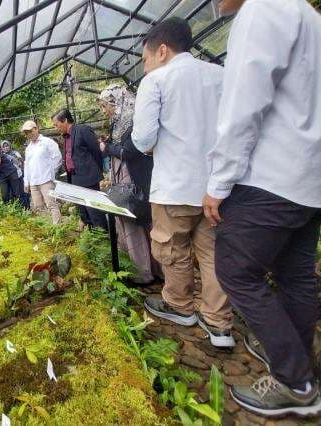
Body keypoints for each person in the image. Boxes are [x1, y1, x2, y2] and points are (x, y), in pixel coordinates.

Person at [203, 0, 321, 416]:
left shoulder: (261, 10)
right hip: (309, 180)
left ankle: (295, 379)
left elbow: (243, 106)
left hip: (269, 176)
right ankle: (300, 366)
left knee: (236, 271)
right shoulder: (309, 15)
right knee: (295, 277)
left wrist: (219, 183)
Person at [131, 17, 234, 347]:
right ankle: (219, 324)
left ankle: (179, 306)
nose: (145, 66)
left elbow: (143, 138)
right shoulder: (221, 75)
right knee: (213, 254)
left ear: (162, 50)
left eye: (145, 58)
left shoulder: (156, 81)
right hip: (215, 187)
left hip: (174, 186)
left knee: (172, 250)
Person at [98, 84, 161, 284]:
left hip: (133, 180)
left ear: (117, 102)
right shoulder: (118, 123)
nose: (104, 110)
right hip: (123, 179)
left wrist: (107, 147)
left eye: (105, 105)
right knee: (128, 222)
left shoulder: (134, 121)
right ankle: (138, 269)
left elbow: (130, 152)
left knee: (134, 222)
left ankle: (144, 273)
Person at [51, 109, 108, 230]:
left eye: (56, 125)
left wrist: (96, 173)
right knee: (84, 214)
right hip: (75, 180)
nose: (56, 128)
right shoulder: (66, 137)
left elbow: (96, 152)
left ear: (65, 120)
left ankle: (105, 240)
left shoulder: (83, 130)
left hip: (88, 179)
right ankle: (92, 240)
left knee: (95, 213)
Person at [20, 120, 62, 224]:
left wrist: (52, 173)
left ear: (36, 129)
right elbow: (27, 165)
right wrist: (26, 182)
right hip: (34, 182)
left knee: (52, 204)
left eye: (30, 131)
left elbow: (57, 157)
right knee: (38, 207)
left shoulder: (47, 142)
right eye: (26, 133)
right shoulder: (28, 148)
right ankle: (48, 228)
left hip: (46, 180)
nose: (28, 134)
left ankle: (58, 228)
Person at [0, 140, 30, 209]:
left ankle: (27, 208)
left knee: (23, 192)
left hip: (19, 175)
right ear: (1, 148)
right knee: (12, 194)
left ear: (9, 146)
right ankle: (17, 209)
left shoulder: (15, 153)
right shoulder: (1, 156)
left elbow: (21, 162)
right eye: (3, 147)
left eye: (7, 146)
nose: (6, 148)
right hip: (8, 178)